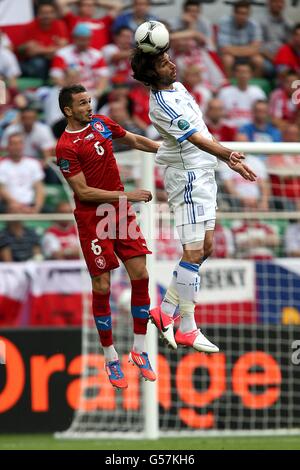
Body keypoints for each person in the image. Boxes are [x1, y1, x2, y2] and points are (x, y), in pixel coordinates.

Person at [131, 49, 256, 353]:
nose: (172, 65)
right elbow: (194, 139)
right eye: (163, 63)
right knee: (194, 250)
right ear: (152, 73)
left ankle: (167, 311)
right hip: (187, 178)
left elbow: (202, 129)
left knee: (207, 247)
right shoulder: (160, 105)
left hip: (204, 172)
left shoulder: (177, 87)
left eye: (169, 58)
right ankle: (187, 326)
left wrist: (223, 160)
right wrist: (227, 154)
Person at [56, 84, 160, 389]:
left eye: (89, 100)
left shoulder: (101, 122)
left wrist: (166, 149)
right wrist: (127, 194)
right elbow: (83, 192)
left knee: (140, 273)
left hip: (119, 212)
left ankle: (139, 351)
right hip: (93, 218)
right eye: (82, 103)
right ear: (68, 111)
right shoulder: (65, 147)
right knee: (102, 285)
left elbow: (134, 139)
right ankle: (111, 356)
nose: (89, 106)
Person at [0, 133, 45, 214]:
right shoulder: (2, 165)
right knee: (13, 210)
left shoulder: (33, 163)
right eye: (13, 144)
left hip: (31, 204)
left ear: (23, 145)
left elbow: (39, 188)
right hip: (9, 205)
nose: (16, 147)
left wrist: (37, 207)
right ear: (8, 147)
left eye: (19, 143)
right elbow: (2, 190)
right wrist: (19, 206)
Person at [217, 0, 264, 77]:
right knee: (227, 60)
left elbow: (256, 48)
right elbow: (224, 48)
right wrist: (248, 50)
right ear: (234, 13)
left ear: (249, 14)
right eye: (239, 13)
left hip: (246, 55)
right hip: (231, 55)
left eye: (245, 13)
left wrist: (235, 50)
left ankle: (253, 85)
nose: (242, 16)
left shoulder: (254, 24)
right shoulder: (225, 22)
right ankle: (229, 84)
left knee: (259, 61)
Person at [218, 62, 266, 128]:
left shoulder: (258, 92)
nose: (243, 75)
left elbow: (263, 115)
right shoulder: (225, 92)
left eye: (246, 72)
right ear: (234, 74)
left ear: (251, 74)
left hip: (251, 130)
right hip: (229, 129)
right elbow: (219, 115)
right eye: (239, 72)